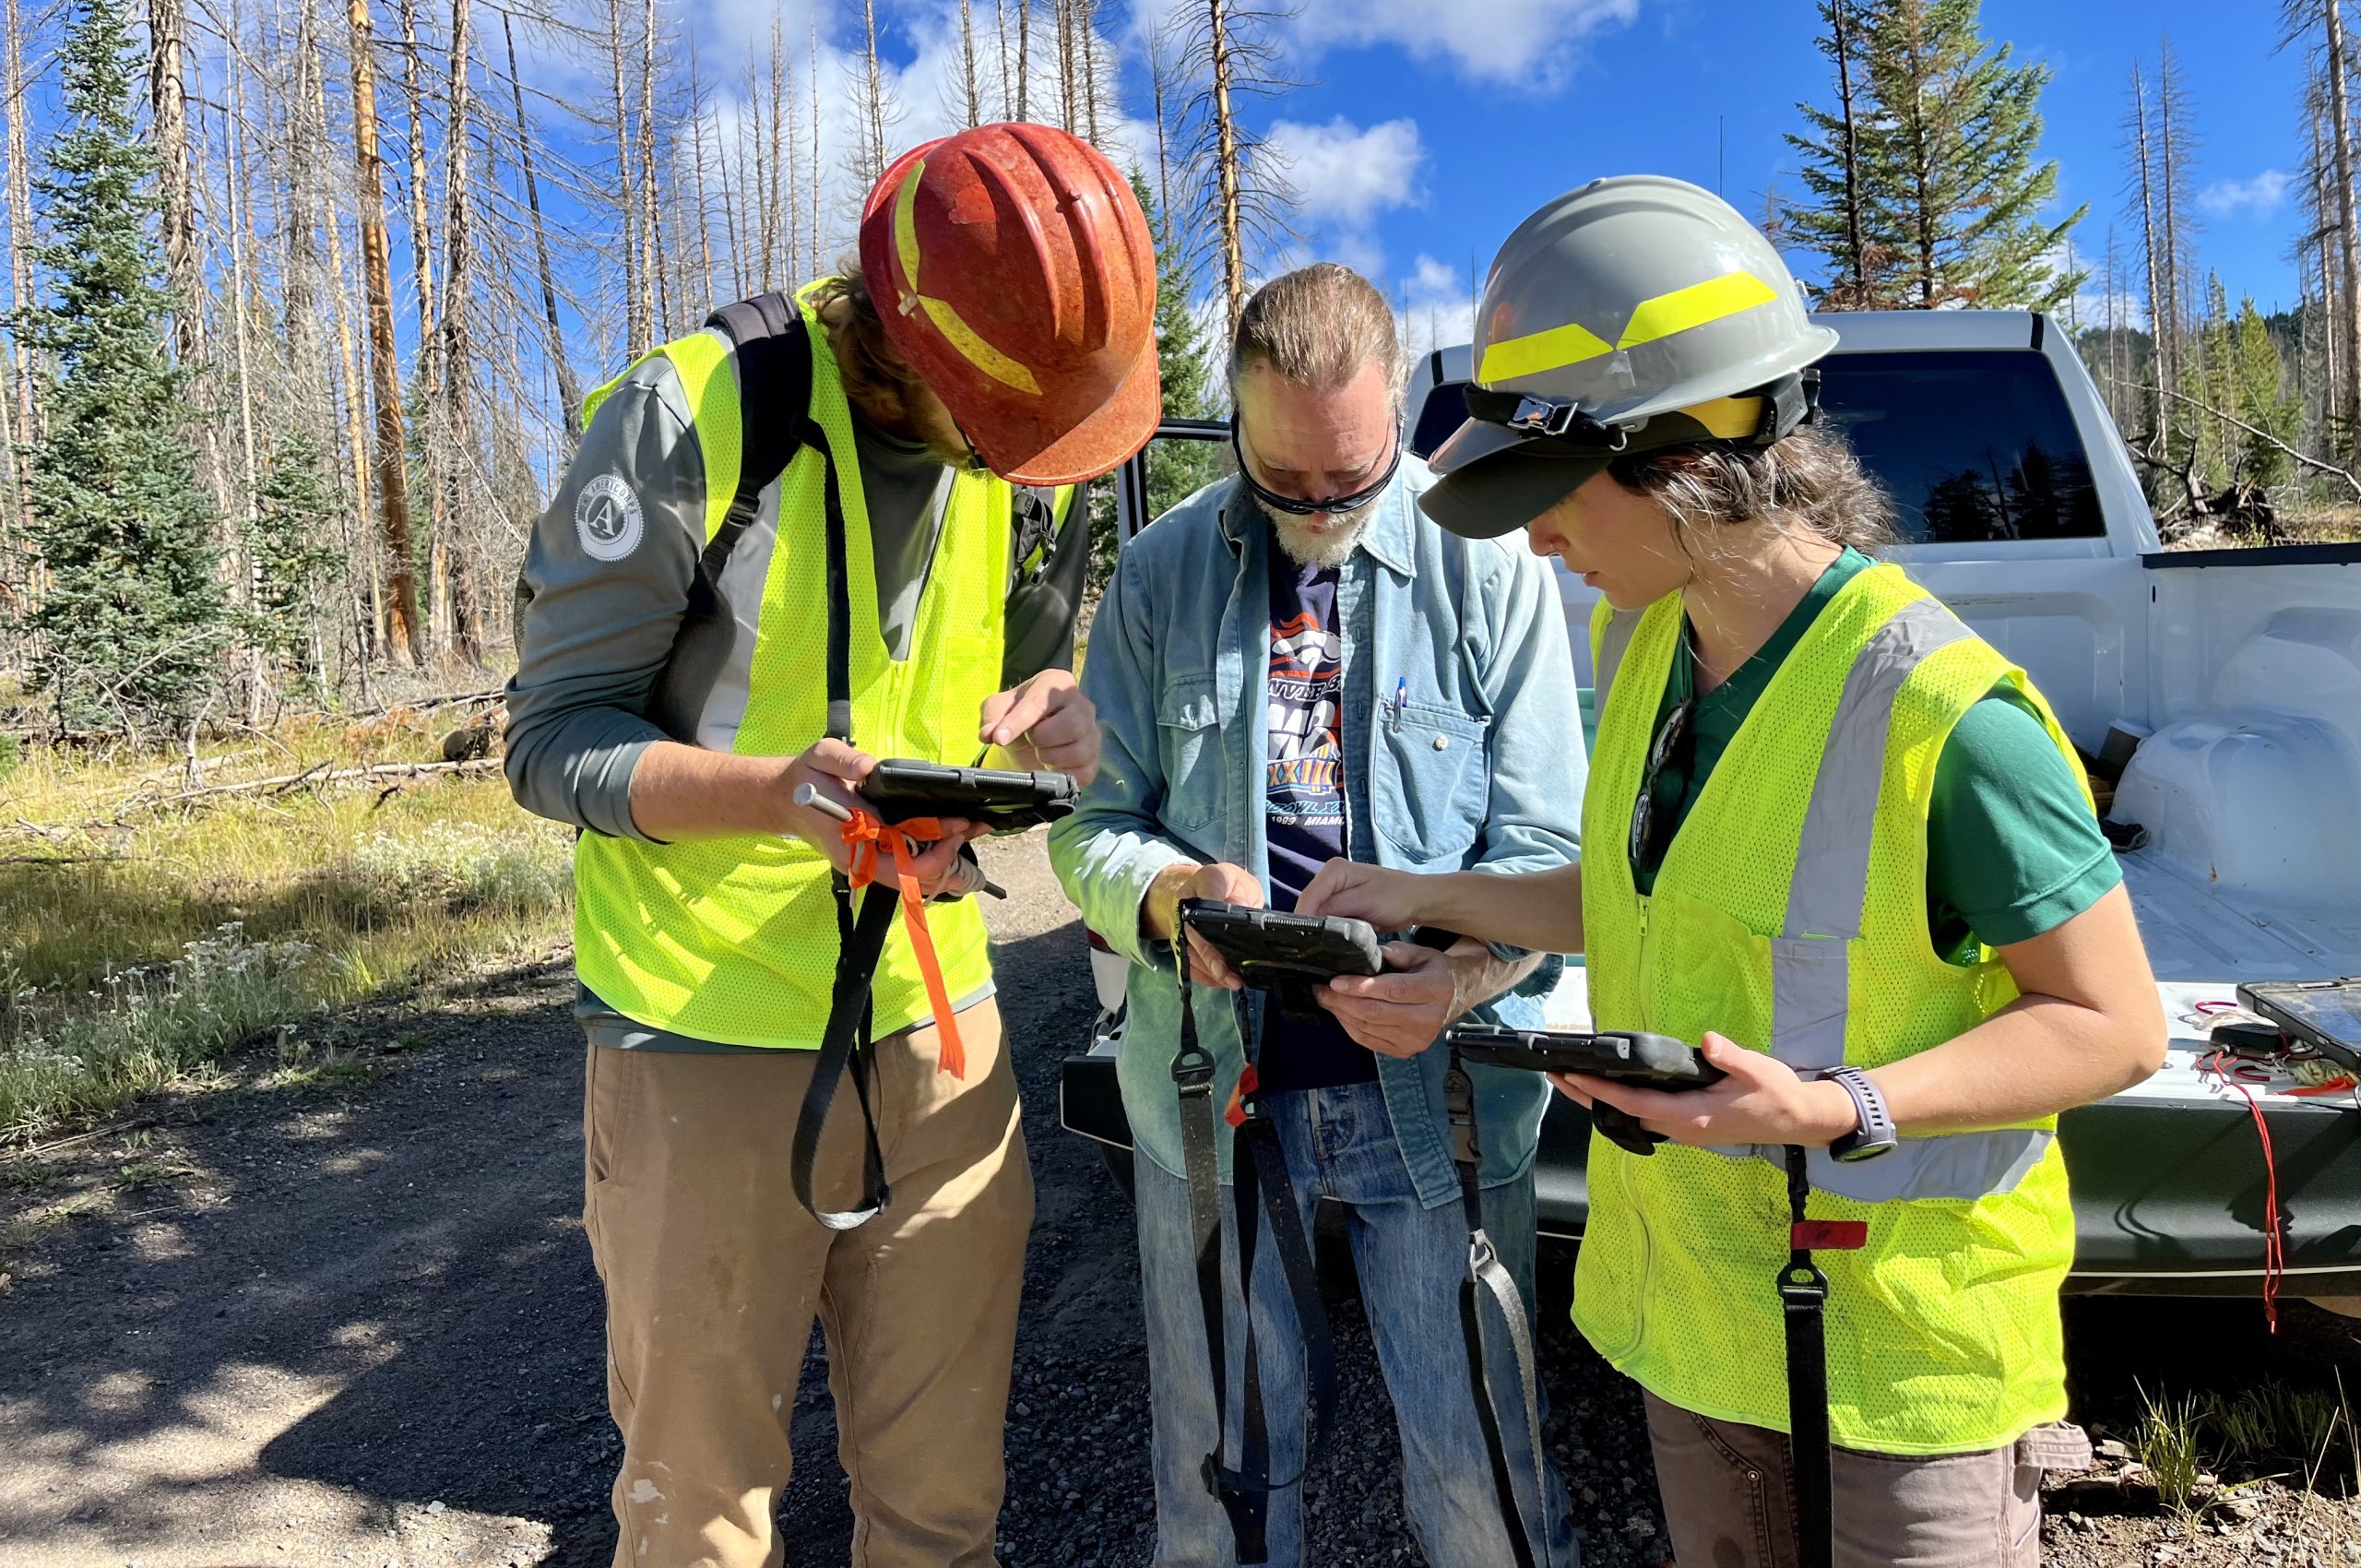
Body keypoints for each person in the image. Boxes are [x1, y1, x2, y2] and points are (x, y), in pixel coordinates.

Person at [1299, 176, 2168, 1568]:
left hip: (1897, 1374)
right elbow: (1643, 894)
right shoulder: (1647, 640)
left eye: (1554, 493)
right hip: (1698, 1332)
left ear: (1685, 461)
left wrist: (1832, 1107)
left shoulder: (1950, 716)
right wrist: (1422, 895)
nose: (1534, 539)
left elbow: (2116, 1023)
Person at [504, 122, 1159, 1568]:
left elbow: (999, 684)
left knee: (943, 1509)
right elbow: (548, 746)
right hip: (705, 1029)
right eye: (1003, 424)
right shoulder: (689, 419)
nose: (1024, 459)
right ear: (906, 343)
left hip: (939, 1012)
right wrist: (773, 794)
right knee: (702, 1514)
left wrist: (1058, 715)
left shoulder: (1022, 440)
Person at [1050, 263, 1585, 1568]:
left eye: (1351, 479)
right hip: (1212, 1095)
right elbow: (1088, 826)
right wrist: (1173, 899)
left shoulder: (1491, 567)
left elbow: (1550, 853)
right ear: (1233, 420)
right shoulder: (1164, 570)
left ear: (1394, 405)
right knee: (1225, 1473)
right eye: (1282, 481)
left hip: (1440, 1095)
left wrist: (1457, 980)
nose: (1320, 508)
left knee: (1482, 1478)